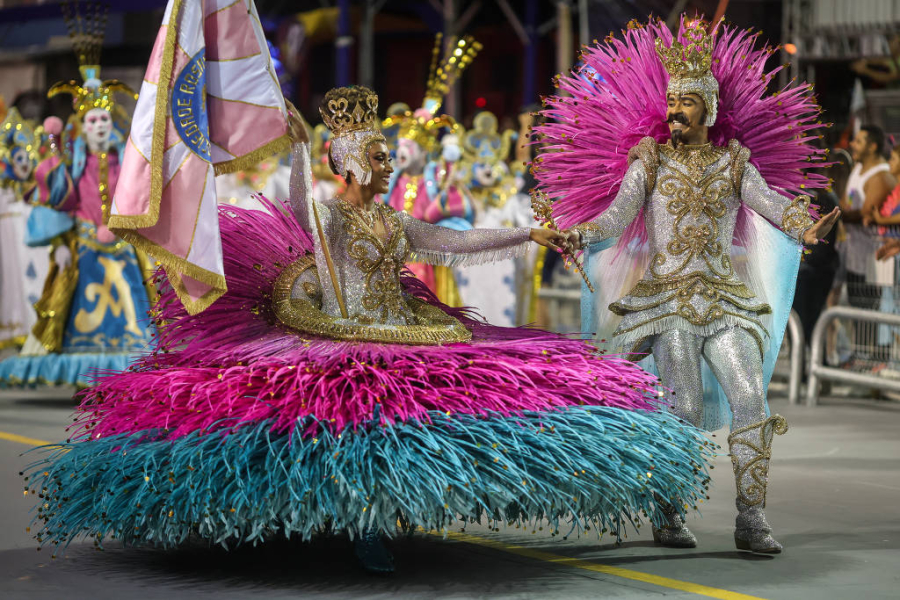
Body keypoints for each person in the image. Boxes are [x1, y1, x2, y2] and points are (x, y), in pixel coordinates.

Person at [24, 85, 715, 574]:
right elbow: (297, 200)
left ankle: (391, 514)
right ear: (347, 162)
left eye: (388, 155)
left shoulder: (392, 222)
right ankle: (365, 527)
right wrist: (296, 143)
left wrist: (530, 232)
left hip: (400, 329)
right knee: (359, 423)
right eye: (378, 156)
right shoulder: (324, 220)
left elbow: (456, 239)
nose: (389, 165)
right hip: (333, 337)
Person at [538, 17, 839, 554]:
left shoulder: (733, 163)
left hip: (724, 298)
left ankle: (751, 520)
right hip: (668, 300)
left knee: (750, 399)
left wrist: (802, 226)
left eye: (687, 102)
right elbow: (613, 219)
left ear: (710, 109)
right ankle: (669, 510)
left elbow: (770, 205)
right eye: (671, 101)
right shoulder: (649, 164)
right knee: (685, 411)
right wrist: (571, 232)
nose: (675, 110)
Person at [0, 18, 155, 387]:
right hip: (83, 245)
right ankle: (85, 377)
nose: (99, 125)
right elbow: (58, 198)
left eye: (103, 118)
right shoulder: (73, 162)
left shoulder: (127, 161)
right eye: (92, 120)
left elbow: (141, 198)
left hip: (121, 244)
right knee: (74, 308)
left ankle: (130, 374)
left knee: (133, 306)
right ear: (82, 126)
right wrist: (59, 246)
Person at [842, 125, 896, 363]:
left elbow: (865, 214)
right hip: (855, 256)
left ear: (873, 146)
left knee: (873, 314)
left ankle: (876, 361)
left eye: (859, 141)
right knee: (857, 311)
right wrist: (841, 210)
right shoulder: (858, 169)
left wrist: (835, 212)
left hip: (876, 259)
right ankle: (863, 358)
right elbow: (849, 203)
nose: (853, 144)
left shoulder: (882, 175)